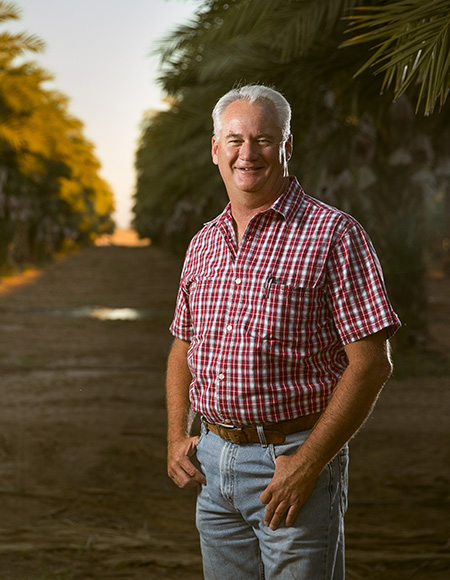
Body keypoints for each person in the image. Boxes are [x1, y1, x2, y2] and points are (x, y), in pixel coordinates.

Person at [166, 84, 401, 579]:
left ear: (287, 147)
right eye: (234, 140)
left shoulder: (334, 234)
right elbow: (183, 344)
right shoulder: (203, 243)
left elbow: (371, 363)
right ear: (215, 149)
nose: (247, 154)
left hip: (290, 462)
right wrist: (176, 435)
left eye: (263, 140)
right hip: (213, 463)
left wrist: (309, 463)